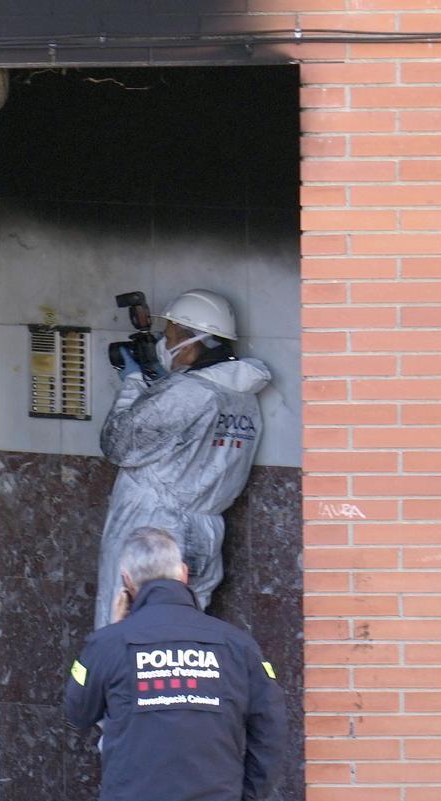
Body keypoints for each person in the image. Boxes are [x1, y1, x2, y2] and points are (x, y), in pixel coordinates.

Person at [65, 528, 286, 801]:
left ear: (127, 581)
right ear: (183, 573)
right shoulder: (239, 645)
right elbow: (271, 728)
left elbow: (77, 712)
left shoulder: (106, 644)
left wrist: (113, 630)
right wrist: (248, 795)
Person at [96, 289, 270, 626]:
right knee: (183, 636)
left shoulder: (189, 393)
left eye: (171, 335)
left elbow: (119, 444)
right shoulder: (241, 397)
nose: (164, 343)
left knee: (127, 632)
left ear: (192, 344)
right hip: (205, 532)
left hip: (153, 530)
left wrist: (133, 383)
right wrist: (159, 388)